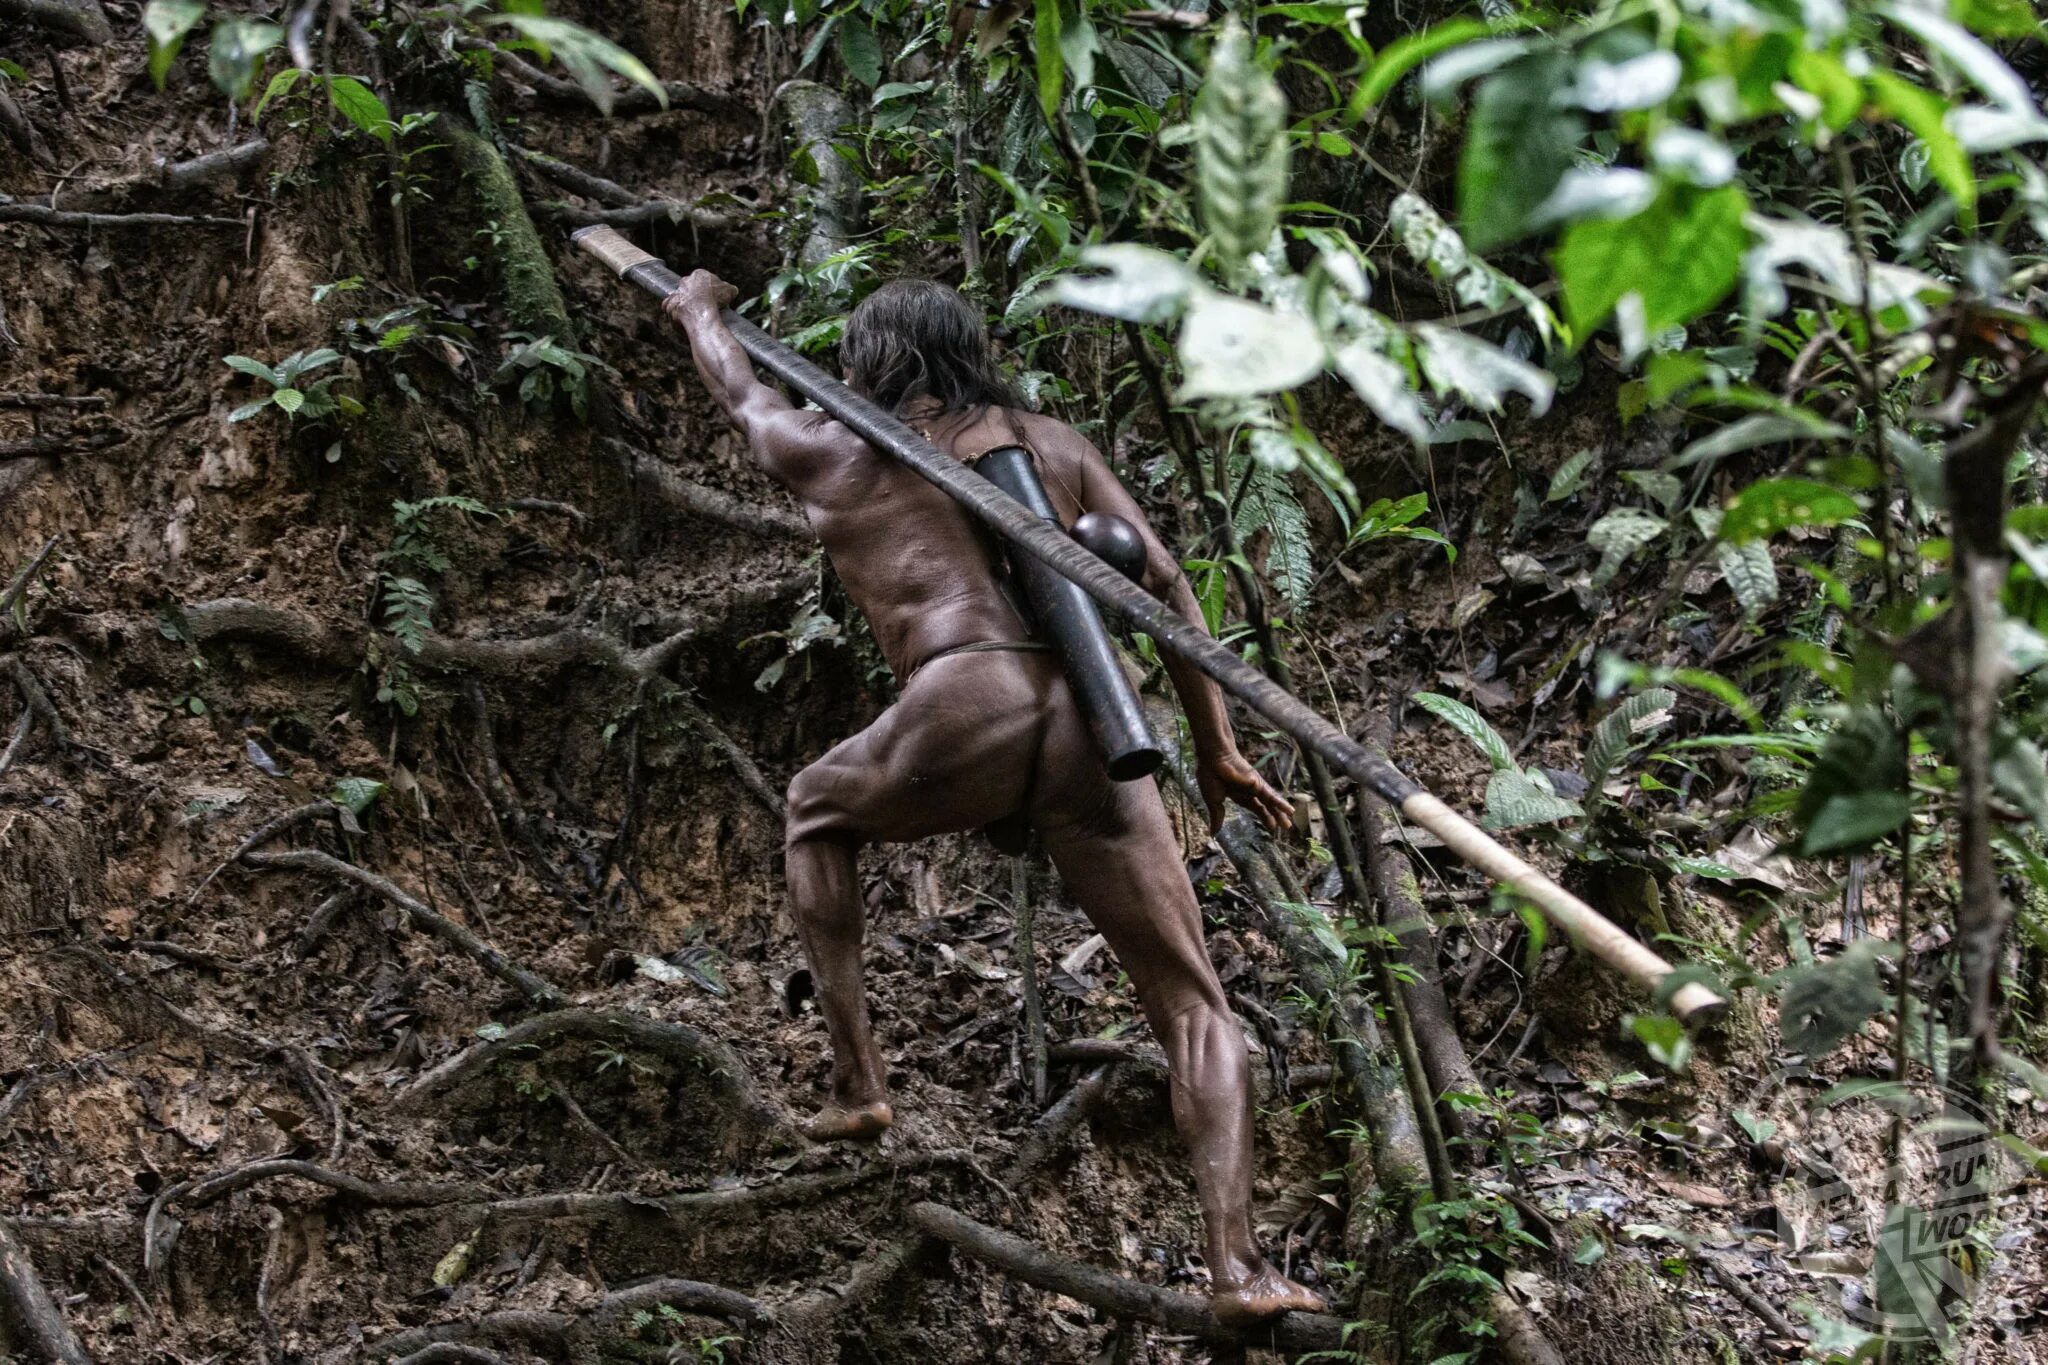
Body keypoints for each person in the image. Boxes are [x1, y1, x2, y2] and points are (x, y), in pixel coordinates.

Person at [663, 272, 1323, 1322]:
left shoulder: (842, 449)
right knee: (1196, 1005)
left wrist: (698, 310)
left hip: (969, 695)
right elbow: (1159, 581)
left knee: (813, 808)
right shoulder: (1048, 443)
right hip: (1098, 721)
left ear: (870, 364)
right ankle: (1238, 1270)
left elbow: (744, 396)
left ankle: (857, 1085)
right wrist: (1216, 746)